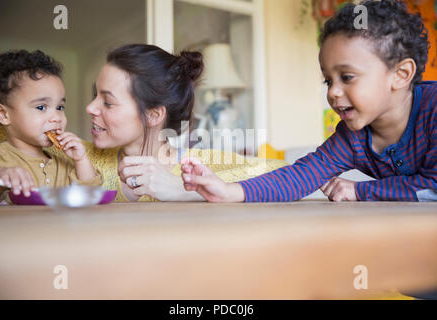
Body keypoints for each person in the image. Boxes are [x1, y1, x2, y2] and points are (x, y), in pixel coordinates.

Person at [181, 0, 436, 203]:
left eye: (347, 77)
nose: (333, 92)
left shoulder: (433, 110)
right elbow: (301, 176)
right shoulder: (352, 137)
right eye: (328, 81)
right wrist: (229, 191)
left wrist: (361, 191)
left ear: (401, 75)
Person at [84, 44, 287, 202]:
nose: (90, 108)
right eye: (95, 95)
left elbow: (292, 177)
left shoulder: (198, 167)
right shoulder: (81, 157)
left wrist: (181, 189)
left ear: (154, 115)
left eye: (108, 102)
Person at [0, 50, 102, 204]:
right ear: (3, 114)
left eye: (60, 107)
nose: (56, 118)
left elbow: (91, 196)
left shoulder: (64, 162)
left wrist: (81, 160)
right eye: (41, 107)